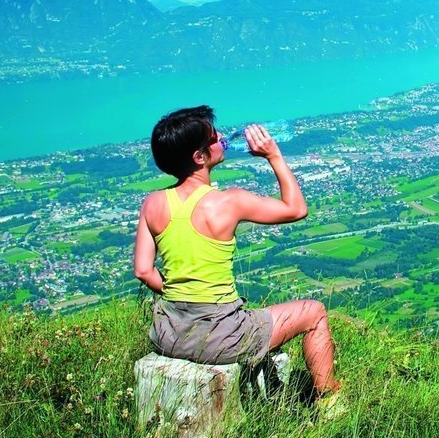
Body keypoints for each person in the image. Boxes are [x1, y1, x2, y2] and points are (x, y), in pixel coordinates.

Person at [133, 105, 340, 401]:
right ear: (199, 157)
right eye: (213, 137)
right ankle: (330, 401)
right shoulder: (228, 201)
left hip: (169, 332)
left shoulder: (152, 203)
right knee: (315, 312)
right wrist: (274, 156)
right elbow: (296, 209)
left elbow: (143, 270)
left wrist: (183, 293)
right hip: (221, 335)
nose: (220, 136)